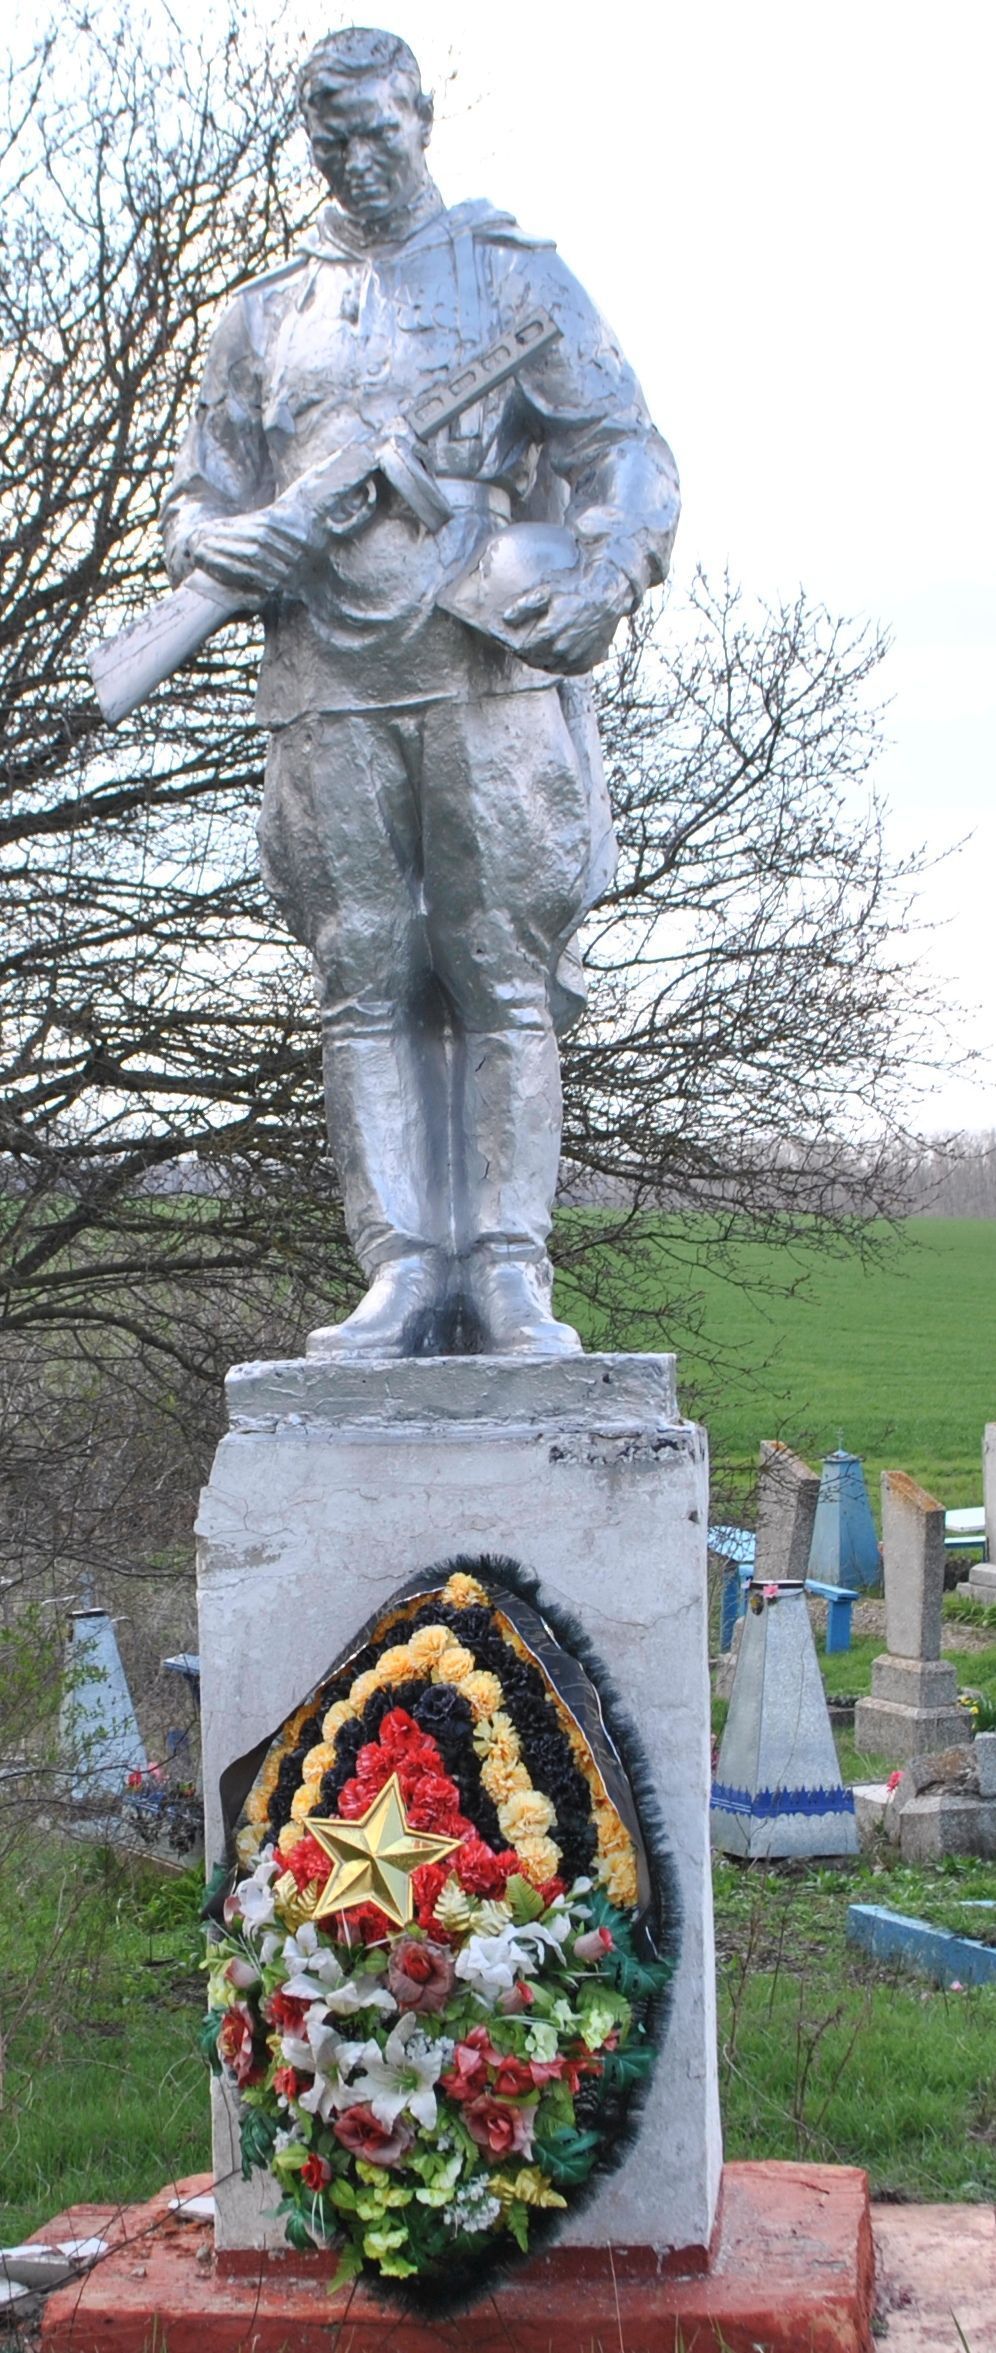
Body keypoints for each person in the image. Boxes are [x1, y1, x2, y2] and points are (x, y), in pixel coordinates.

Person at [161, 26, 680, 1357]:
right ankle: (396, 1266)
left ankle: (507, 1268)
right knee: (362, 973)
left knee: (501, 969)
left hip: (479, 660)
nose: (357, 159)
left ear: (421, 119)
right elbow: (198, 502)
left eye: (377, 132)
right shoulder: (264, 314)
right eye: (331, 140)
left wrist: (607, 574)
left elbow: (624, 446)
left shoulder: (514, 277)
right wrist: (231, 542)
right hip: (325, 681)